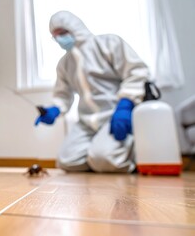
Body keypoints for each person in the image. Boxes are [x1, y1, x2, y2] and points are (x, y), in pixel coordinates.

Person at [35, 11, 149, 173]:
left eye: (62, 33)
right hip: (87, 122)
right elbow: (62, 95)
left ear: (75, 27)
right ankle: (101, 158)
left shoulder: (108, 43)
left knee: (103, 158)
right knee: (66, 160)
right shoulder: (64, 63)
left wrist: (125, 104)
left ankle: (123, 154)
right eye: (55, 36)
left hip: (114, 115)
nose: (60, 39)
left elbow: (136, 72)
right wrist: (54, 110)